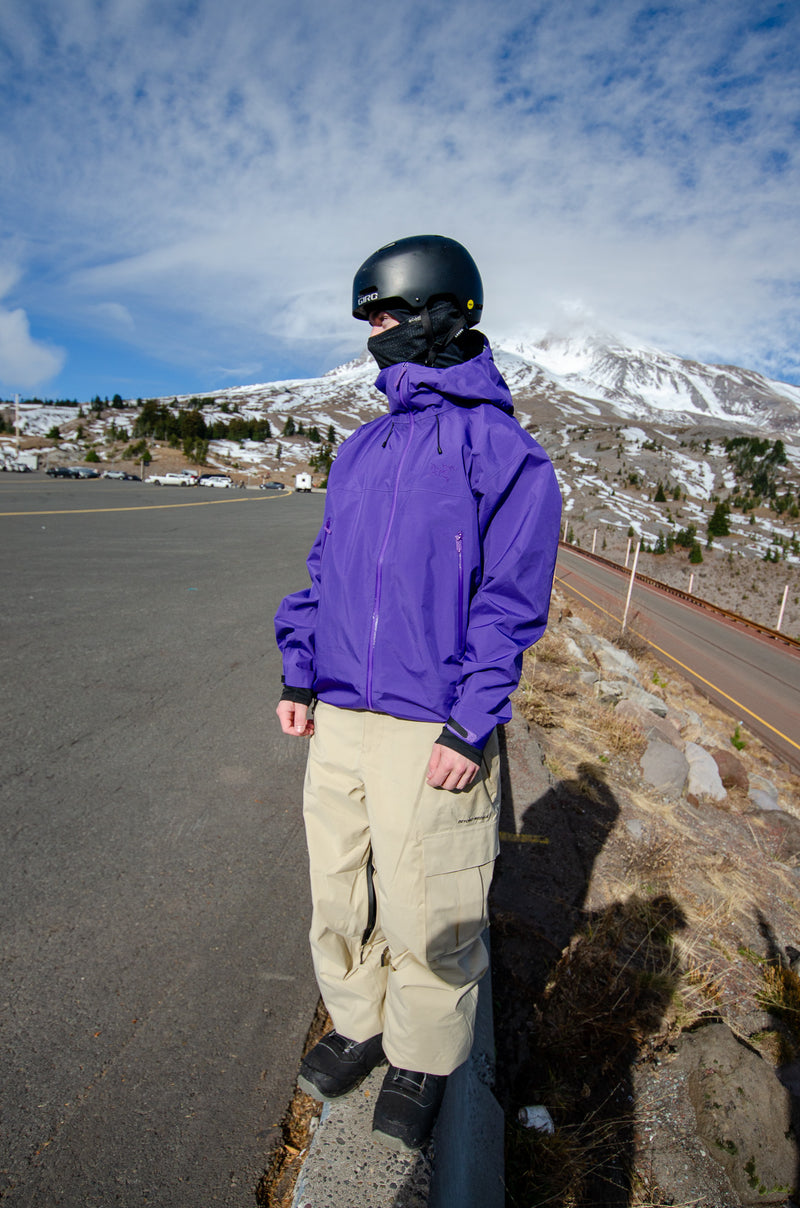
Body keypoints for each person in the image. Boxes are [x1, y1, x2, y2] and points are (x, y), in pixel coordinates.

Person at [275, 234, 561, 1152]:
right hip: (341, 717)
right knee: (337, 890)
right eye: (368, 319)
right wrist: (299, 669)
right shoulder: (361, 451)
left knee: (425, 902)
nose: (375, 333)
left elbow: (510, 604)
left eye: (388, 314)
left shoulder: (505, 450)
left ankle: (424, 1056)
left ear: (446, 315)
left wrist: (471, 726)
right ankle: (358, 1021)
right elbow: (325, 571)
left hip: (429, 723)